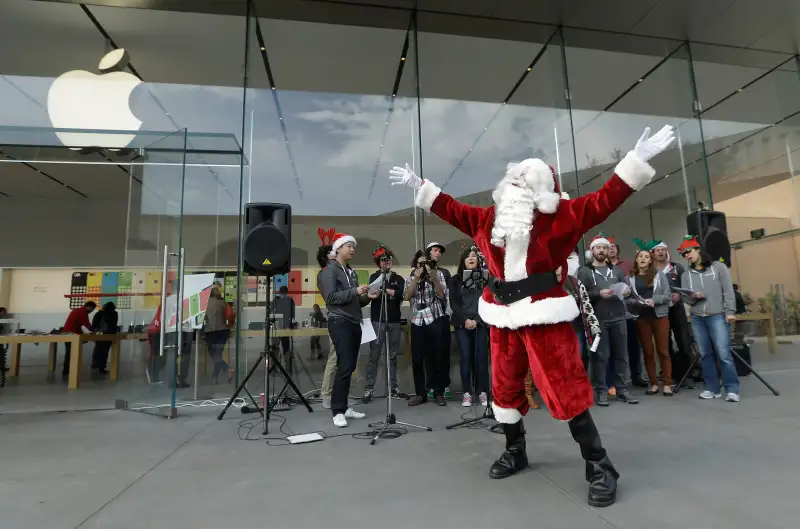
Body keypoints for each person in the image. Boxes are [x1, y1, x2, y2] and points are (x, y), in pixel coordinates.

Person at [391, 124, 675, 507]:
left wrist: (635, 161)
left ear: (544, 188)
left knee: (564, 387)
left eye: (528, 177)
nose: (519, 180)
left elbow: (605, 199)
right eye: (516, 176)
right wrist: (421, 186)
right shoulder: (489, 219)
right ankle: (515, 450)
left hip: (545, 315)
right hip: (502, 316)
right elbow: (451, 208)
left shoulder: (563, 216)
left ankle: (599, 465)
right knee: (504, 390)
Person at [319, 232, 377, 427]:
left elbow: (355, 301)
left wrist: (368, 296)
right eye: (348, 246)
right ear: (338, 249)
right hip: (340, 322)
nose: (352, 249)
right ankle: (337, 411)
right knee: (344, 366)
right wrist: (355, 291)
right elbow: (331, 298)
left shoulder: (349, 272)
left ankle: (343, 407)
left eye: (353, 246)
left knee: (349, 366)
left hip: (353, 321)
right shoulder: (329, 271)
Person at [577, 234, 639, 406]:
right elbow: (581, 295)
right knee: (601, 357)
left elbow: (627, 290)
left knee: (621, 355)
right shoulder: (585, 272)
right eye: (599, 248)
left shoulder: (617, 270)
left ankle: (622, 390)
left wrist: (626, 292)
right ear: (592, 250)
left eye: (605, 247)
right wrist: (598, 294)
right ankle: (601, 391)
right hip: (598, 320)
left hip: (619, 317)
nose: (602, 250)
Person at [678, 236, 740, 402]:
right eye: (683, 254)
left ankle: (732, 389)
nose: (686, 256)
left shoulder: (718, 267)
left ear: (698, 250)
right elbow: (686, 299)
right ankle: (712, 388)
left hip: (717, 315)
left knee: (724, 354)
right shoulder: (686, 275)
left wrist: (729, 311)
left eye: (688, 251)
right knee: (705, 354)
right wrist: (693, 297)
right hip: (698, 317)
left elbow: (728, 290)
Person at [363, 245, 407, 403]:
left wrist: (389, 291)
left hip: (394, 320)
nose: (387, 262)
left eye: (389, 259)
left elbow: (403, 294)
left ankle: (393, 387)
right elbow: (370, 293)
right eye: (383, 260)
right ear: (378, 262)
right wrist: (375, 293)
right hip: (378, 320)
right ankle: (369, 388)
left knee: (392, 356)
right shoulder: (374, 277)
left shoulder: (398, 278)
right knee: (374, 355)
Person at [405, 249, 450, 406]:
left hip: (435, 317)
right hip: (418, 320)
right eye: (420, 263)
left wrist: (433, 278)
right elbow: (406, 296)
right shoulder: (412, 276)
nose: (423, 266)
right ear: (416, 264)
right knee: (417, 358)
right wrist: (416, 278)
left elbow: (441, 294)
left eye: (426, 263)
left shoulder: (438, 275)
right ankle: (420, 394)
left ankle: (438, 392)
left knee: (437, 356)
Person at [627, 247, 673, 396]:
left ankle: (667, 384)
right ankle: (653, 384)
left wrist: (654, 300)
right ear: (636, 259)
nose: (643, 259)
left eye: (646, 257)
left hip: (659, 316)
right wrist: (636, 302)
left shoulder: (659, 275)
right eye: (641, 256)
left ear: (650, 260)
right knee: (647, 352)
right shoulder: (630, 278)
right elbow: (626, 298)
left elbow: (667, 295)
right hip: (641, 318)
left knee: (663, 351)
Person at [450, 246, 489, 408]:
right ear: (463, 261)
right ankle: (467, 392)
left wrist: (477, 319)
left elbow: (488, 300)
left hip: (481, 323)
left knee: (481, 359)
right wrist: (466, 319)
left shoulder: (485, 279)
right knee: (466, 358)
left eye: (474, 256)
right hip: (462, 323)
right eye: (468, 256)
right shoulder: (455, 280)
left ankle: (482, 392)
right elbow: (454, 303)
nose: (471, 258)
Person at [651, 240, 694, 389]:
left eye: (663, 249)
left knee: (683, 341)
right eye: (658, 250)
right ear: (653, 253)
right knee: (665, 344)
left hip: (677, 309)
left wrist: (679, 295)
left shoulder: (677, 268)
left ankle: (687, 375)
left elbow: (686, 286)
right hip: (660, 311)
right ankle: (673, 375)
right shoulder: (650, 269)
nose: (661, 252)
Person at [426, 241, 454, 400]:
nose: (438, 254)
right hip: (426, 318)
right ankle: (431, 385)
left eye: (440, 251)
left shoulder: (445, 272)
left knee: (444, 352)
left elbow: (448, 295)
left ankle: (445, 384)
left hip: (442, 317)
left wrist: (450, 314)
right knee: (429, 353)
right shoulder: (419, 270)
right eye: (435, 250)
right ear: (429, 252)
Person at [204, 286, 233, 384]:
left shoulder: (206, 303)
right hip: (224, 331)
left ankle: (226, 369)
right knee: (218, 354)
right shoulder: (223, 302)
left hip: (212, 331)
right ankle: (215, 377)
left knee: (214, 354)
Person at [62, 301, 96, 376]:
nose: (92, 311)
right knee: (70, 353)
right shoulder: (83, 312)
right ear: (89, 307)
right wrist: (95, 331)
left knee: (69, 352)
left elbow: (79, 325)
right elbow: (86, 324)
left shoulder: (77, 311)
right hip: (71, 334)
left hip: (67, 333)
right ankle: (67, 371)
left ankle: (67, 370)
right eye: (92, 309)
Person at [90, 301, 118, 374]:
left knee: (97, 349)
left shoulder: (99, 313)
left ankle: (94, 364)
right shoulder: (114, 314)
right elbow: (114, 325)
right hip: (109, 335)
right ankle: (102, 367)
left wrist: (94, 333)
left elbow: (94, 324)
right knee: (105, 352)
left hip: (99, 335)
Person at [274, 285, 295, 368]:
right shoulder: (291, 300)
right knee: (286, 347)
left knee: (274, 347)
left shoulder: (276, 300)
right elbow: (293, 315)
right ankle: (288, 365)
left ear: (279, 292)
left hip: (277, 327)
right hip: (286, 327)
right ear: (287, 292)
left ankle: (274, 366)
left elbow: (273, 314)